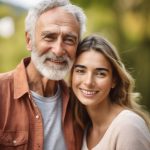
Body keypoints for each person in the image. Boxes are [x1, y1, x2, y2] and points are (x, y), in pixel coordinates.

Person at [0, 0, 86, 150]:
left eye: (69, 40)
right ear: (29, 41)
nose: (59, 50)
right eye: (49, 37)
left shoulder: (80, 104)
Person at [70, 34, 150, 150]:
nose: (88, 82)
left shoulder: (128, 126)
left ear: (114, 80)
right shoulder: (84, 128)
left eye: (100, 73)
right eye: (81, 71)